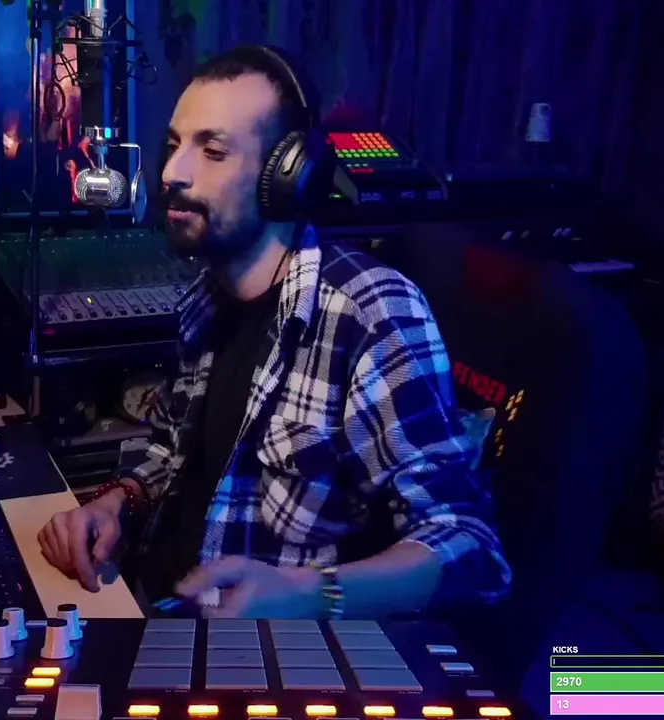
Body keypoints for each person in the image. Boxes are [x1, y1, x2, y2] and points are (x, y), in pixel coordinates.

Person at [37, 46, 511, 619]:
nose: (171, 173)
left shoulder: (371, 313)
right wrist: (117, 502)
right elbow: (173, 458)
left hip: (254, 648)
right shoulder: (203, 302)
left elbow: (467, 545)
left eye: (212, 151)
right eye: (174, 145)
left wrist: (313, 594)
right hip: (149, 603)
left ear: (287, 176)